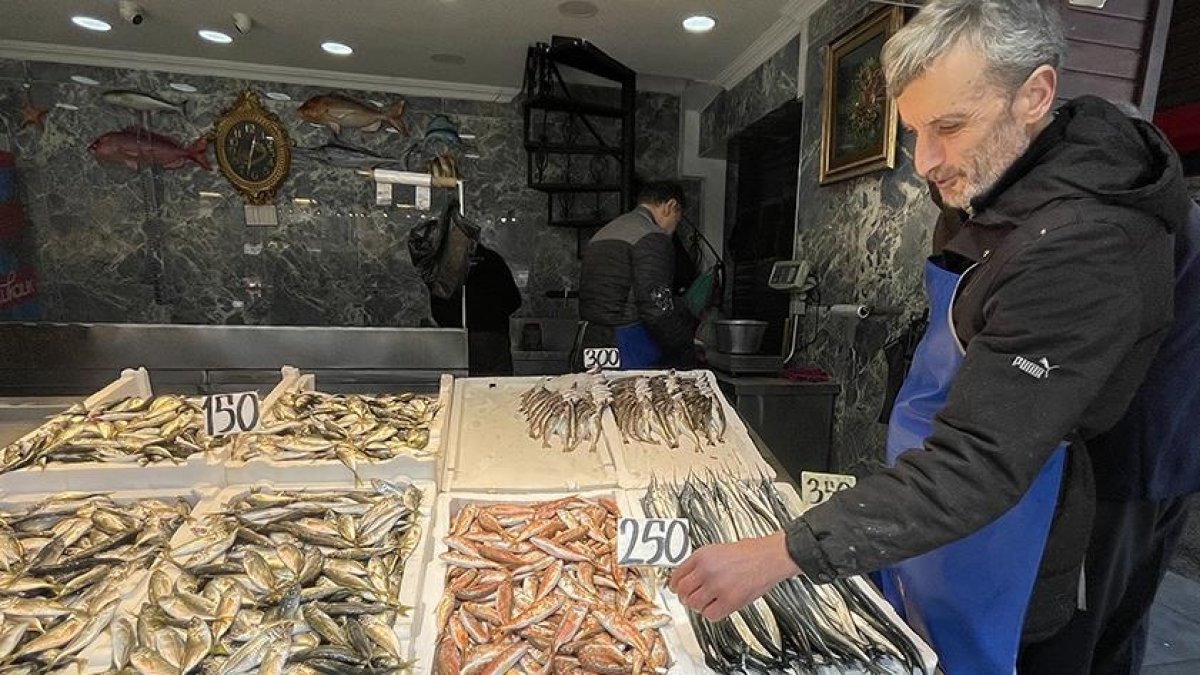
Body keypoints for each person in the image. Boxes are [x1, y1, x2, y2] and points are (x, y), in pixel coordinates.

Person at [667, 2, 1191, 674]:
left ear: (1035, 95)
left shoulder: (1085, 245)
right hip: (975, 482)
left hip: (1054, 511)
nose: (926, 161)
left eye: (949, 126)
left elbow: (979, 461)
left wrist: (783, 551)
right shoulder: (1010, 180)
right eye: (915, 130)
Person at [574, 181, 697, 370]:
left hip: (591, 338)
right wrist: (685, 346)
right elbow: (656, 307)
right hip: (629, 342)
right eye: (677, 220)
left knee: (598, 395)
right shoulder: (651, 236)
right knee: (636, 397)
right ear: (671, 206)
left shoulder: (603, 233)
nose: (673, 228)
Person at [430, 243, 522, 376]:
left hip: (458, 340)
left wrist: (453, 326)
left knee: (463, 390)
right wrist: (493, 315)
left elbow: (438, 309)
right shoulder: (493, 259)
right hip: (494, 337)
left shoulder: (447, 265)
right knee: (499, 388)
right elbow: (514, 300)